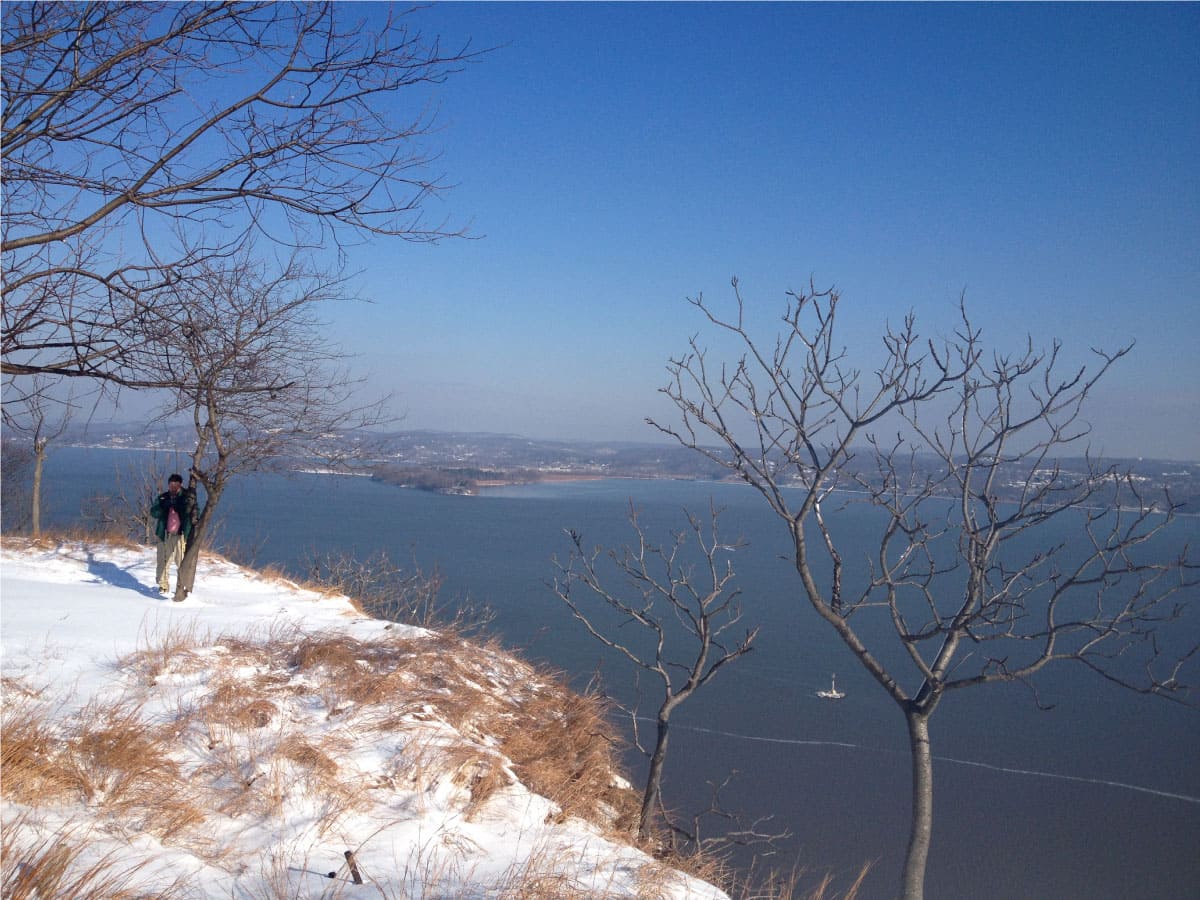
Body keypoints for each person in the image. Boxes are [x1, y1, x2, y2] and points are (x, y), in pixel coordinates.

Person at [152, 473, 196, 596]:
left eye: (175, 485)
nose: (173, 487)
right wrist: (163, 508)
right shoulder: (163, 498)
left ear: (180, 485)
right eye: (171, 484)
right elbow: (153, 512)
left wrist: (181, 507)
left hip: (179, 535)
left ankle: (182, 587)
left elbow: (192, 513)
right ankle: (163, 586)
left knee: (181, 562)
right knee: (163, 561)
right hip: (164, 534)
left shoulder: (187, 497)